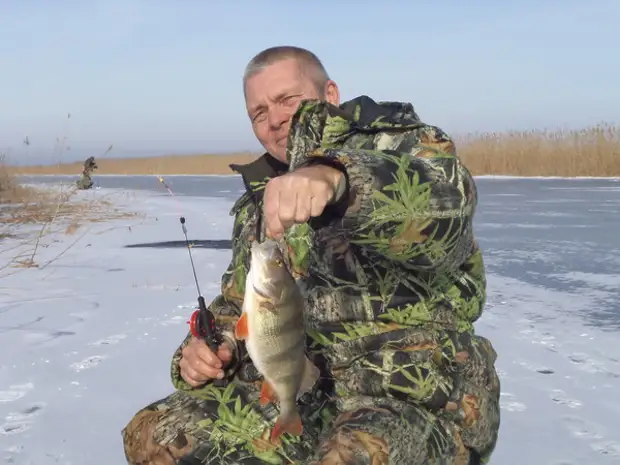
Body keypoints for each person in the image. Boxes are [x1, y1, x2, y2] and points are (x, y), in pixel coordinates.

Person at [121, 45, 501, 465]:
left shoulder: (405, 145)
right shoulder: (262, 203)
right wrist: (205, 351)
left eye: (287, 99)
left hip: (415, 395)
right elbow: (240, 305)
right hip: (303, 400)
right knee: (156, 434)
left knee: (349, 456)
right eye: (259, 112)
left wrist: (338, 179)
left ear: (331, 94)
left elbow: (448, 205)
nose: (275, 119)